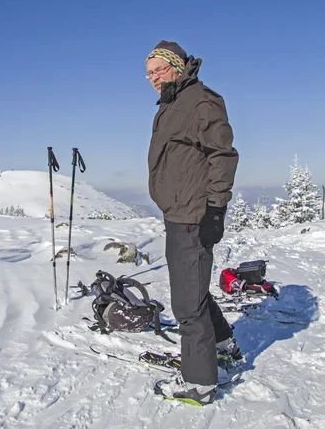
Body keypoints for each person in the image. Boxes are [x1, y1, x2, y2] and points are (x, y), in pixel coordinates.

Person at [146, 40, 240, 405]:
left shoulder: (200, 101)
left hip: (193, 215)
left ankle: (199, 383)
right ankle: (223, 348)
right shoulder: (173, 103)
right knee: (194, 289)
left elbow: (223, 156)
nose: (154, 78)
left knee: (187, 303)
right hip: (178, 212)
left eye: (160, 70)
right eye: (149, 73)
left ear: (178, 66)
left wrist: (216, 210)